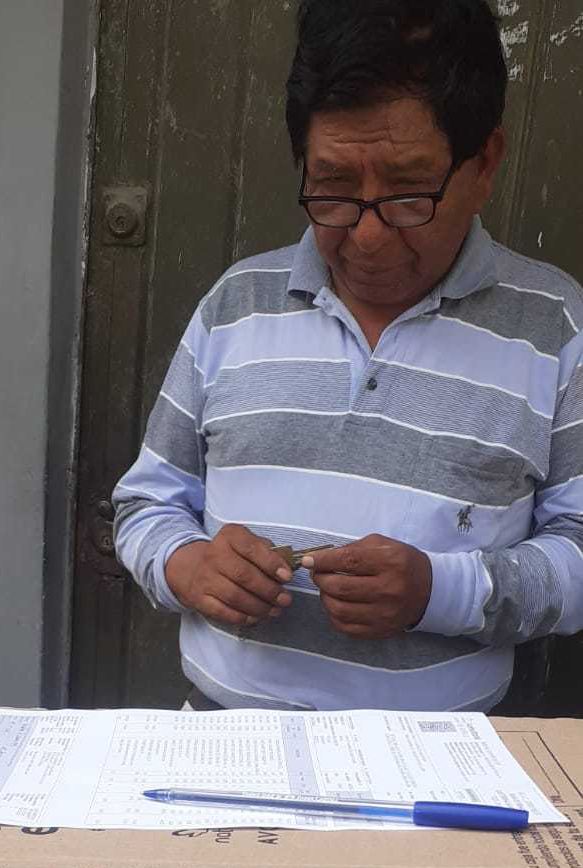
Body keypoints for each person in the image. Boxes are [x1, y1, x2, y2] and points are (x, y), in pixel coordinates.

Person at [113, 0, 583, 713]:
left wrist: (438, 592)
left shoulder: (556, 327)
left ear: (485, 162)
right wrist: (188, 565)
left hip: (439, 757)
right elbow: (147, 504)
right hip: (219, 740)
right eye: (332, 187)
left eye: (408, 192)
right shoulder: (236, 304)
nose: (366, 237)